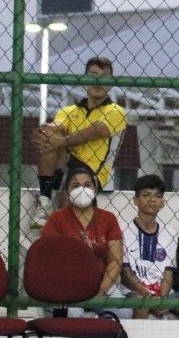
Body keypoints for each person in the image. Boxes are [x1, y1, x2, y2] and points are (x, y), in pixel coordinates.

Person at [32, 55, 126, 221]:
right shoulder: (69, 110)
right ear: (84, 79)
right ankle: (44, 201)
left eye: (104, 77)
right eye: (93, 76)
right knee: (48, 135)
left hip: (92, 170)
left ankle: (62, 226)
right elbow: (55, 127)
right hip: (66, 163)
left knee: (71, 195)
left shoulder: (116, 111)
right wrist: (41, 133)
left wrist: (61, 141)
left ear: (111, 83)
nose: (98, 82)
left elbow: (94, 130)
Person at [118, 173, 179, 320]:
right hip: (133, 291)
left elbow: (168, 273)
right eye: (146, 195)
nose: (152, 200)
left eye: (157, 196)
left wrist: (161, 299)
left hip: (164, 293)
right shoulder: (122, 230)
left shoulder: (170, 233)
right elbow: (126, 274)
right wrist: (149, 297)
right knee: (141, 303)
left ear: (163, 202)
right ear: (136, 200)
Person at [41, 166, 124, 303]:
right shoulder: (56, 219)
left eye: (87, 185)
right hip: (66, 285)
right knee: (73, 314)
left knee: (124, 312)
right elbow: (48, 258)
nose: (82, 190)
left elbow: (116, 260)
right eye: (75, 185)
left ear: (95, 190)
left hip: (102, 283)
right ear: (67, 191)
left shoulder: (108, 218)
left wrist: (101, 289)